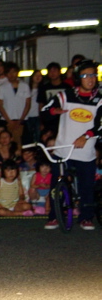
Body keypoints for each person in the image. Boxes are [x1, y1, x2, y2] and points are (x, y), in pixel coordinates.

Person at [40, 59, 101, 230]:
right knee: (56, 185)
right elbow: (44, 111)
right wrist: (54, 111)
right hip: (63, 150)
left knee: (86, 186)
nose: (90, 78)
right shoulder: (65, 95)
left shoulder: (99, 100)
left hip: (86, 152)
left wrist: (87, 135)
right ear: (77, 78)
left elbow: (101, 125)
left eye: (93, 75)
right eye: (86, 75)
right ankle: (54, 216)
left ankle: (86, 217)